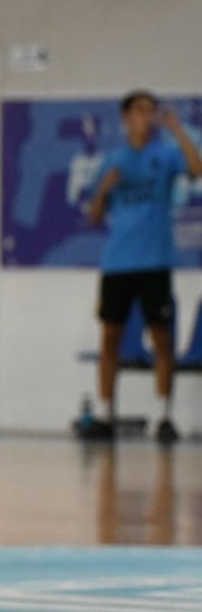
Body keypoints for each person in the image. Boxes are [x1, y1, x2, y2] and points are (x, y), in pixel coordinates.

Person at [83, 92, 202, 444]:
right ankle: (105, 415)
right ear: (125, 118)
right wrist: (103, 192)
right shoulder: (113, 162)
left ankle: (163, 416)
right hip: (118, 263)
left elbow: (196, 169)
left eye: (151, 111)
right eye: (140, 110)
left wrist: (177, 130)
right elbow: (94, 217)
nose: (146, 116)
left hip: (155, 261)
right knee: (110, 339)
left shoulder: (165, 156)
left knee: (162, 339)